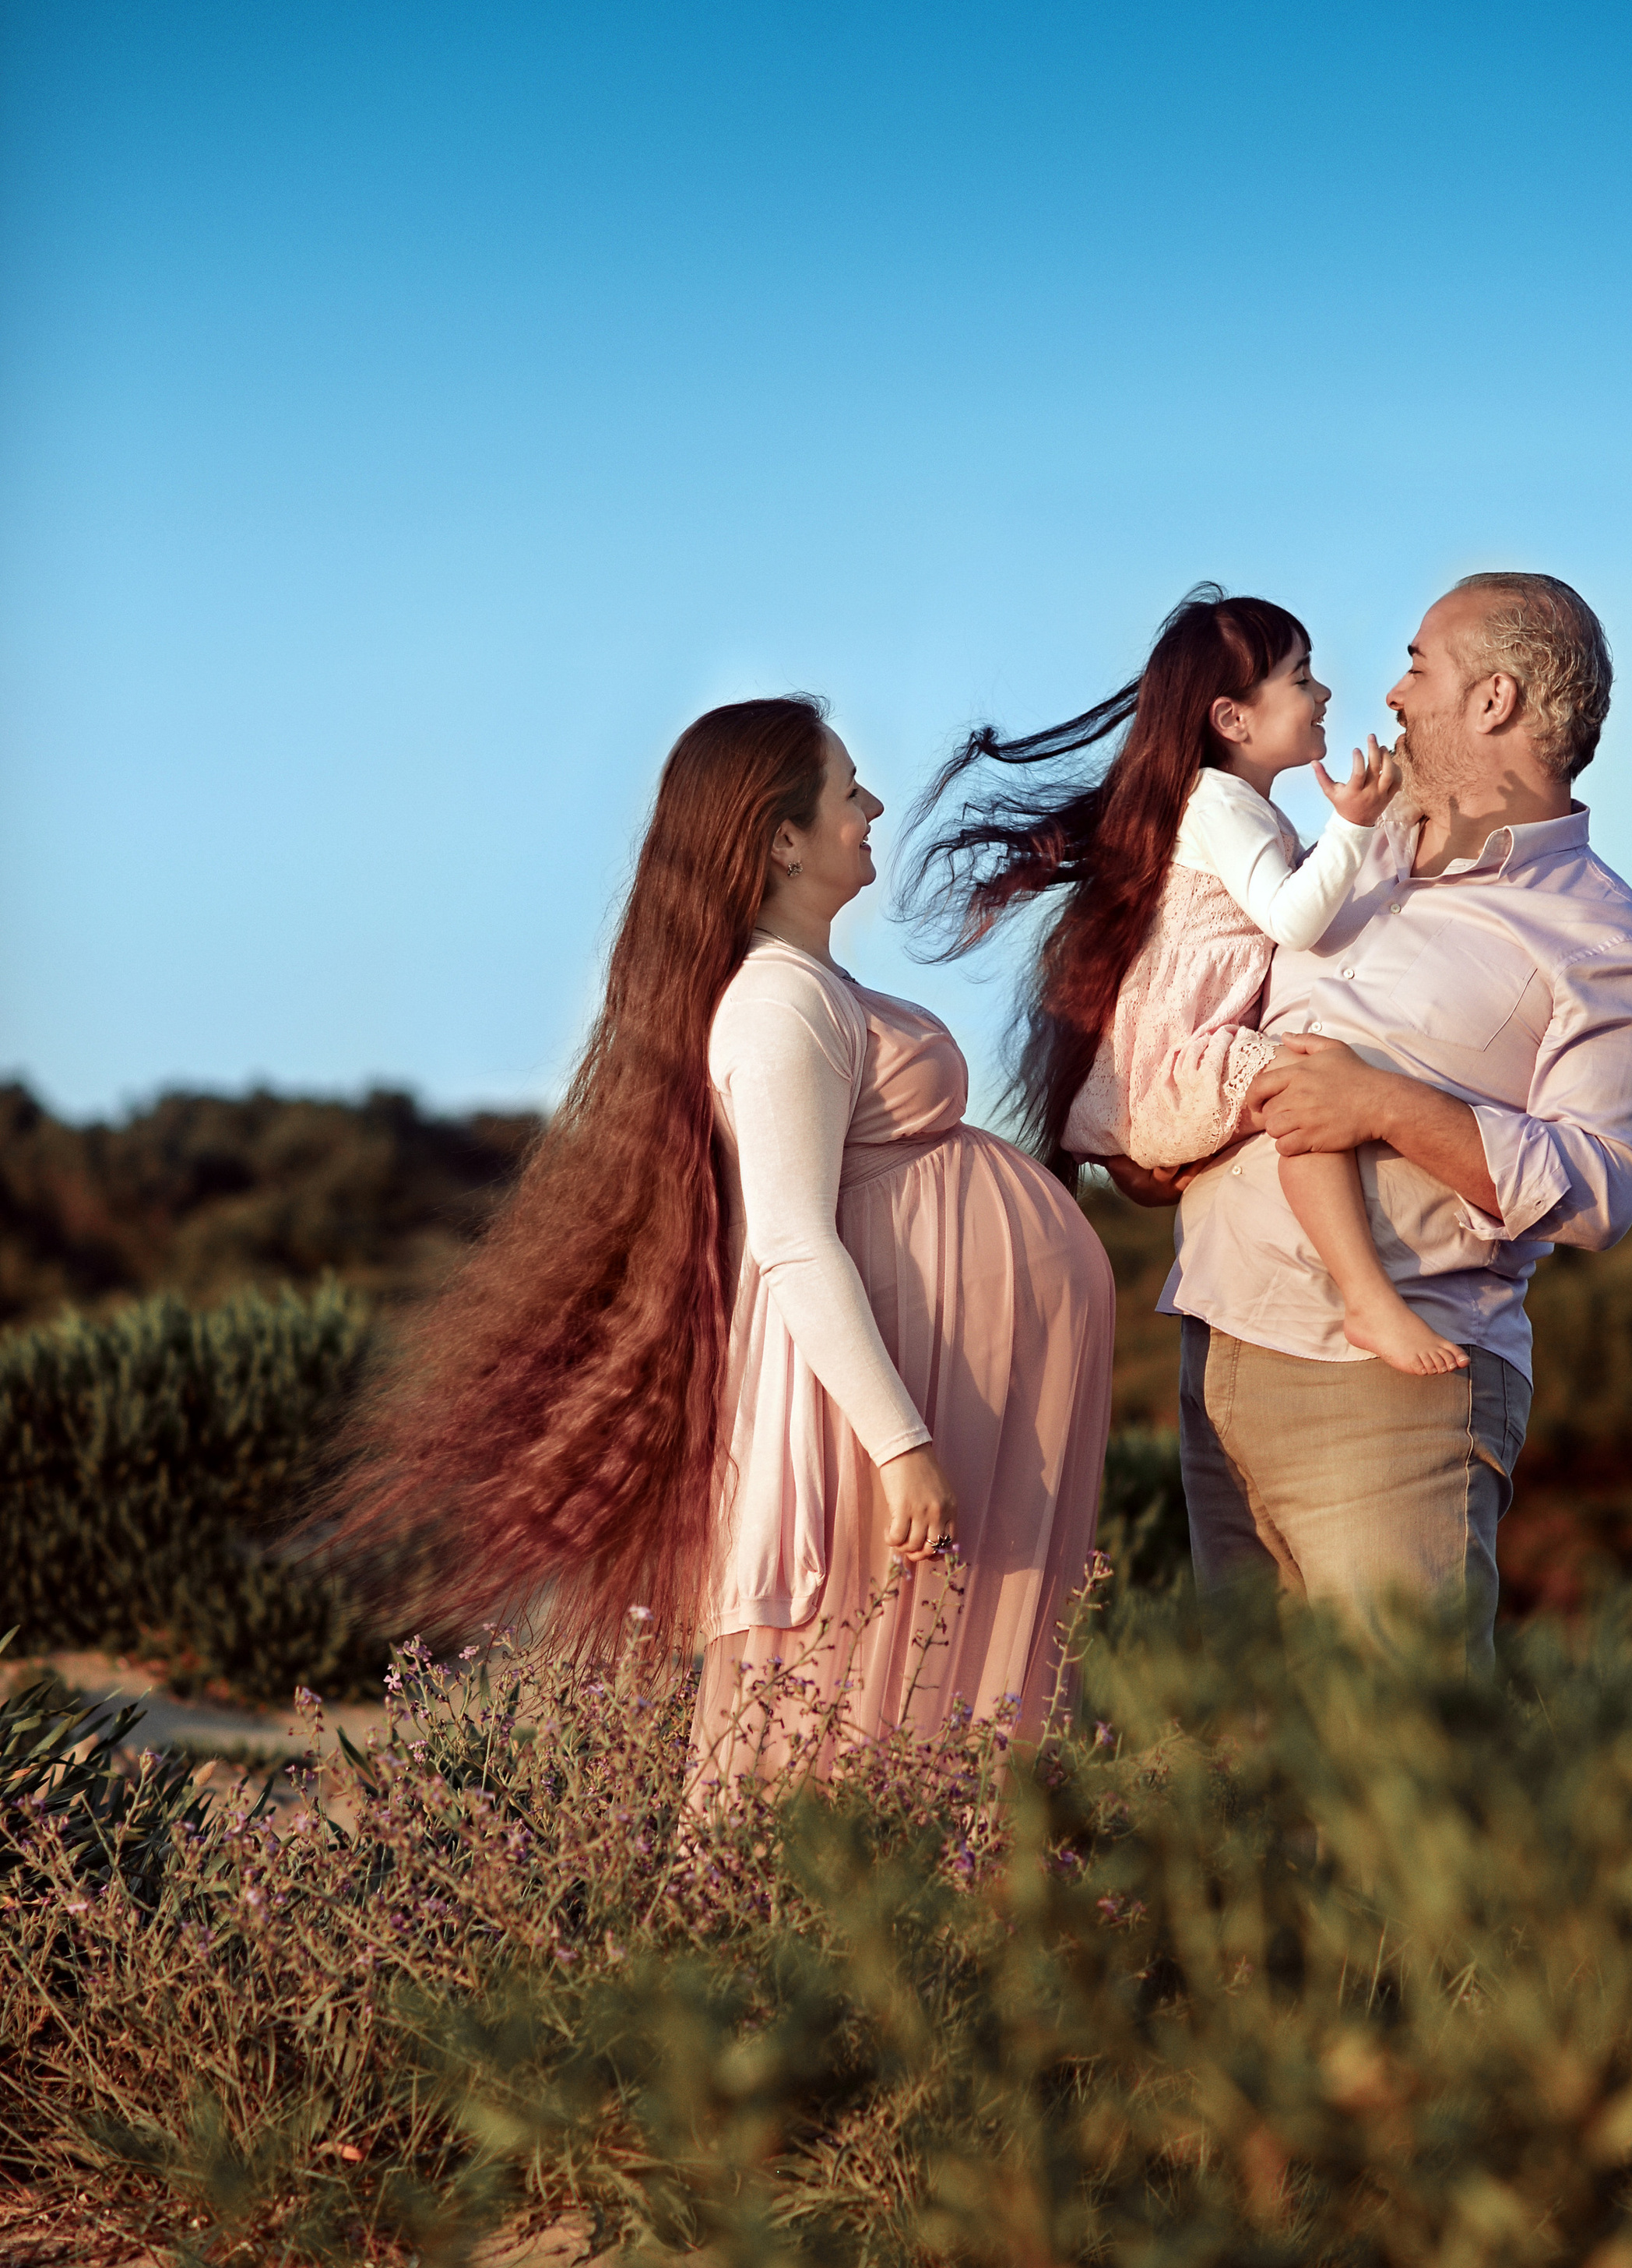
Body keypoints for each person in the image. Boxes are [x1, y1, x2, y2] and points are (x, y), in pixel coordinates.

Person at [331, 695, 1115, 1775]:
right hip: (882, 1411)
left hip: (936, 1391)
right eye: (849, 789)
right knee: (862, 1719)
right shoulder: (773, 1005)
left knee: (941, 1714)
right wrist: (900, 1443)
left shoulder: (817, 987)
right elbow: (793, 1241)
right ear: (782, 838)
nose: (874, 804)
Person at [1131, 572, 1632, 1664]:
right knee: (1242, 1777)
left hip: (1395, 1393)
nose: (1389, 693)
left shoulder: (1613, 946)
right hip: (1216, 1354)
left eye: (1418, 665)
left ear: (1493, 701)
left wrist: (1384, 1103)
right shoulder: (1346, 854)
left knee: (1398, 1773)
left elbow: (1601, 1187)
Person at [901, 584, 1466, 1378]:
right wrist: (1354, 826)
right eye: (1301, 678)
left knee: (1299, 1089)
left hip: (1175, 1072)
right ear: (1233, 719)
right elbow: (1294, 920)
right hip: (1174, 1070)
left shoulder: (1239, 808)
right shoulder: (1216, 800)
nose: (1324, 693)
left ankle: (1356, 1291)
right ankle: (1366, 1296)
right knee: (1307, 1089)